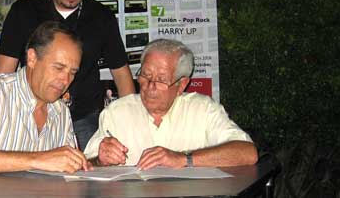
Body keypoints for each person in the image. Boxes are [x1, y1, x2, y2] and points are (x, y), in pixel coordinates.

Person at [0, 0, 135, 150]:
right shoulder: (24, 11)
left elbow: (122, 74)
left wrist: (131, 123)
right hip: (33, 116)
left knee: (88, 180)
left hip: (85, 119)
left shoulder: (101, 17)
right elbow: (3, 75)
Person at [84, 39, 258, 169]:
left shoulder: (202, 109)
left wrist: (183, 159)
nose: (150, 86)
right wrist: (99, 159)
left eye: (161, 80)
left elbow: (247, 153)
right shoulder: (118, 112)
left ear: (181, 85)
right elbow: (85, 165)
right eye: (145, 75)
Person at [0, 21, 91, 174]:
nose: (66, 80)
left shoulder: (62, 113)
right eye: (58, 68)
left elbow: (71, 169)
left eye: (72, 72)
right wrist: (37, 160)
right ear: (32, 58)